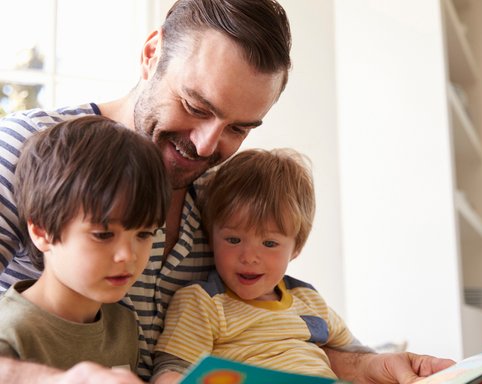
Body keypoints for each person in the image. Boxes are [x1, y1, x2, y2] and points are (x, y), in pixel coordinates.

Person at [0, 0, 454, 382]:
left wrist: (368, 367)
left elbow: (259, 341)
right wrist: (55, 380)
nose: (205, 146)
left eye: (238, 128)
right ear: (152, 53)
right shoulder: (25, 151)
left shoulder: (224, 200)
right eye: (195, 106)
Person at [151, 148, 363, 382]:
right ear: (211, 239)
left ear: (296, 248)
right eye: (233, 240)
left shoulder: (308, 299)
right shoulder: (203, 302)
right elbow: (172, 370)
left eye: (269, 243)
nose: (249, 257)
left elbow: (359, 356)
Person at [0, 116, 170, 382]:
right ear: (41, 232)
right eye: (103, 235)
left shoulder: (123, 323)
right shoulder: (10, 333)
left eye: (144, 233)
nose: (127, 255)